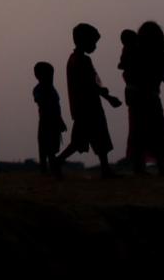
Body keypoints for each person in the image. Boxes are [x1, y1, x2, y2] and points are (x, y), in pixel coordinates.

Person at [52, 23, 122, 178]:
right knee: (92, 139)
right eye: (93, 42)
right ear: (84, 41)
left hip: (82, 107)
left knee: (87, 140)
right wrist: (109, 97)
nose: (95, 46)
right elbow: (92, 84)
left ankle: (104, 169)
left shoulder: (75, 60)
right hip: (88, 108)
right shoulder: (81, 61)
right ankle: (58, 162)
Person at [121, 21, 164, 175]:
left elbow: (127, 73)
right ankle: (160, 167)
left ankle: (140, 167)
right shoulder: (153, 54)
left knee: (139, 133)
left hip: (137, 98)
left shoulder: (133, 52)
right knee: (156, 132)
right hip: (149, 97)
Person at [33, 61, 67, 175]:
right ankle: (47, 169)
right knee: (46, 147)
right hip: (45, 121)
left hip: (53, 122)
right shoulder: (39, 89)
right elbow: (42, 103)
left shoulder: (52, 90)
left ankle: (50, 168)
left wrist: (60, 120)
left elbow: (56, 107)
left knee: (51, 146)